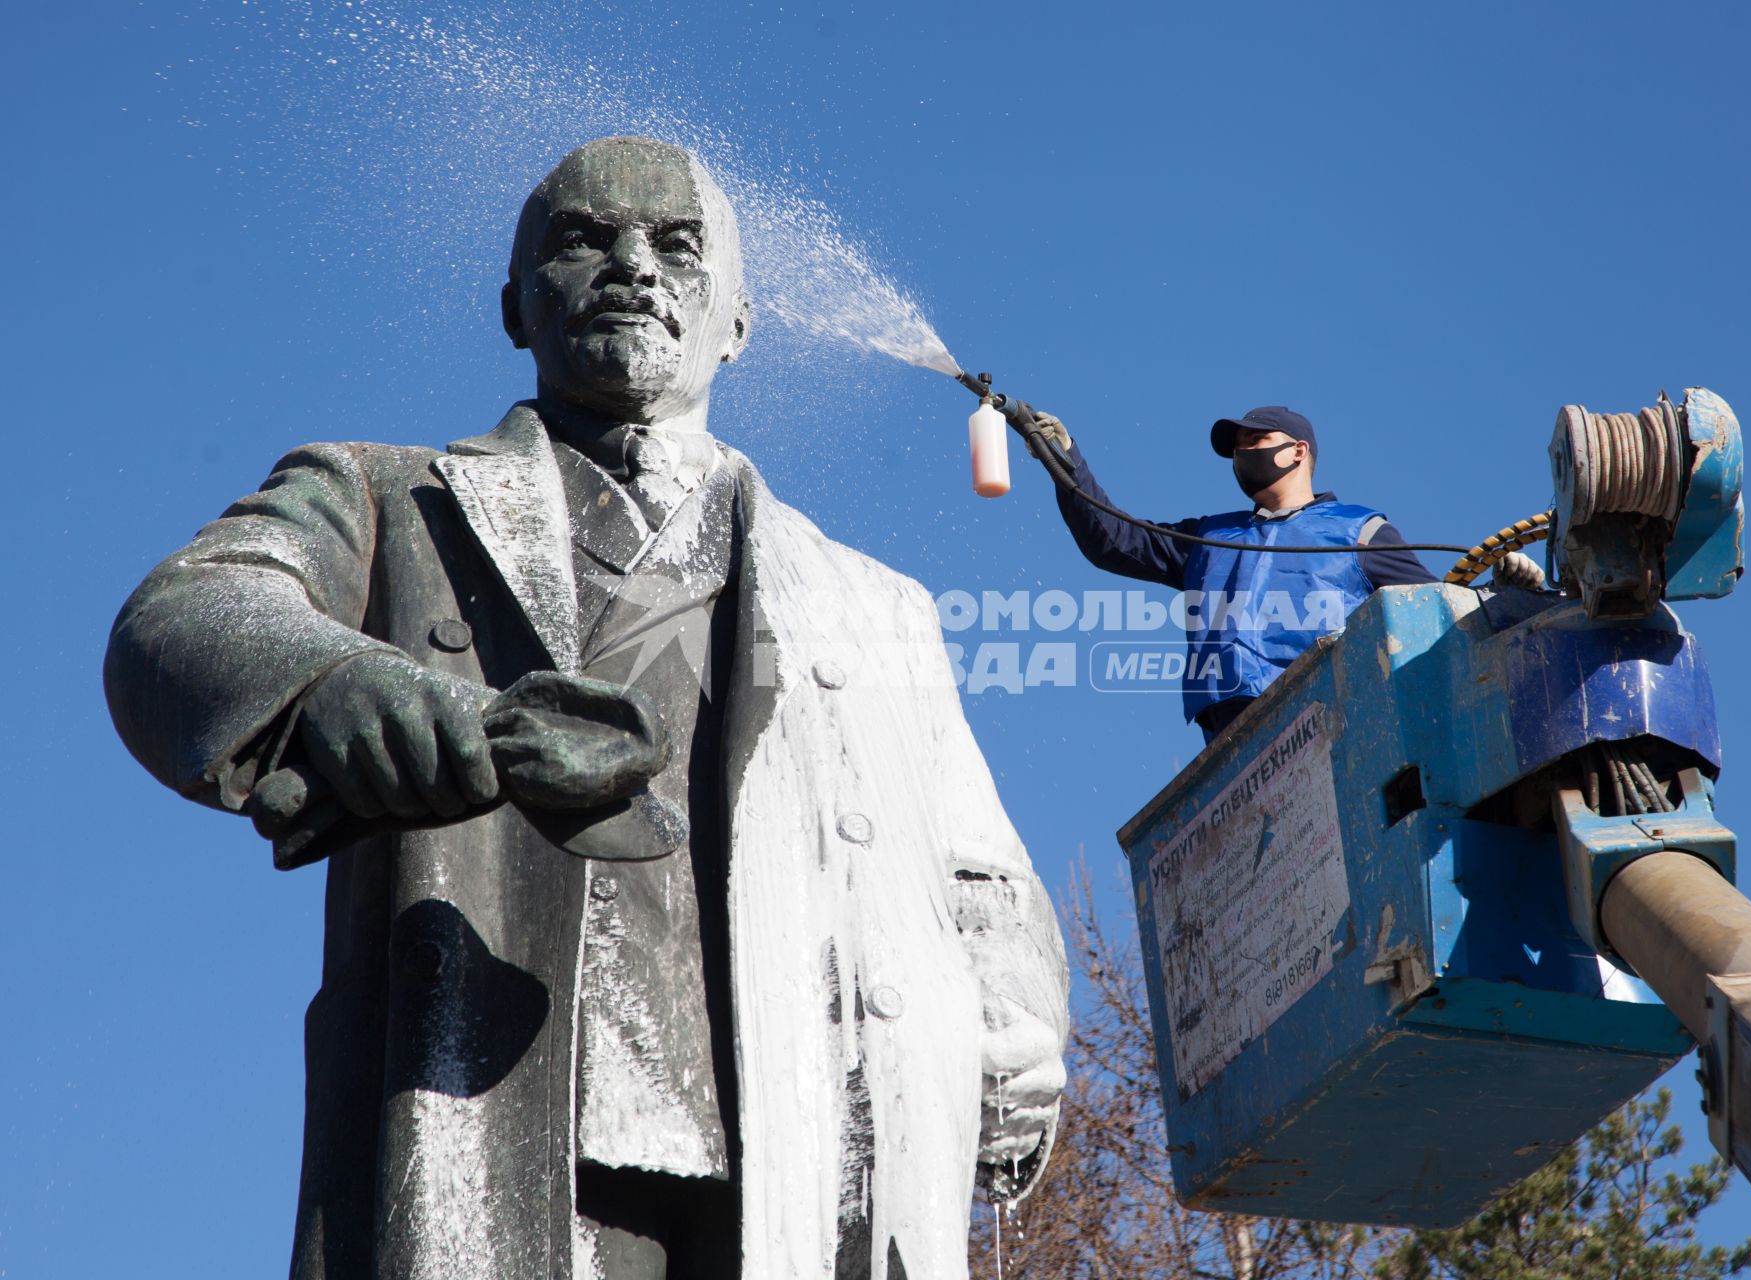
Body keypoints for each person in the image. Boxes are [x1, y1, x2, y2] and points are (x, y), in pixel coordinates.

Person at [104, 136, 1068, 1280]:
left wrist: (1008, 1029)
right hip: (487, 1116)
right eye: (582, 238)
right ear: (515, 306)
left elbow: (975, 869)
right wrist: (338, 678)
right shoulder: (387, 495)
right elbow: (181, 615)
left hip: (801, 1152)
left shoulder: (876, 606)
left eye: (675, 244)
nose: (632, 266)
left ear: (737, 321)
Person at [1030, 405, 1541, 741]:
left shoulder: (1358, 531)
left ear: (1298, 451)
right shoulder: (1208, 537)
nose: (1243, 452)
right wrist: (1065, 461)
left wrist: (1502, 592)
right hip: (1228, 735)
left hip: (1330, 719)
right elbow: (1113, 540)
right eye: (1238, 446)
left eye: (1257, 440)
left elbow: (1436, 609)